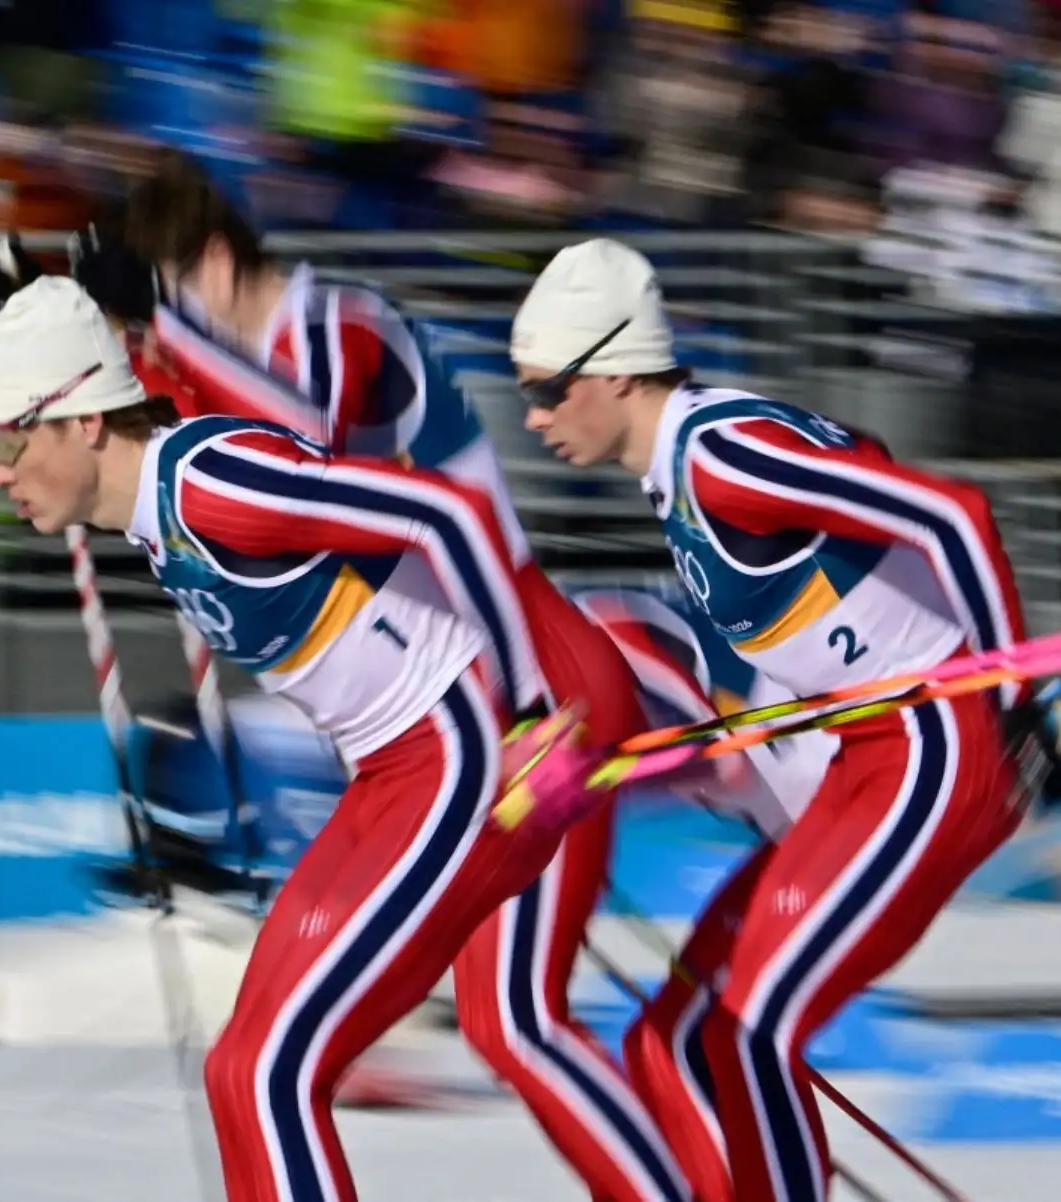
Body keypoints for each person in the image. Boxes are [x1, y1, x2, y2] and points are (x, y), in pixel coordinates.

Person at [101, 154, 690, 1202]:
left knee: (516, 1016)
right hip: (448, 698)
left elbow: (300, 449)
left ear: (219, 264)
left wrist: (163, 332)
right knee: (503, 1020)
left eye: (171, 303)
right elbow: (156, 429)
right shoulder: (220, 356)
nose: (164, 337)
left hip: (533, 675)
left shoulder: (341, 325)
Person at [512, 238, 1061, 1202]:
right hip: (864, 759)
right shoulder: (690, 466)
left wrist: (1014, 705)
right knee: (678, 1034)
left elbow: (952, 516)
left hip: (930, 751)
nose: (533, 418)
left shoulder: (720, 454)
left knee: (742, 1030)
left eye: (547, 390)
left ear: (612, 372)